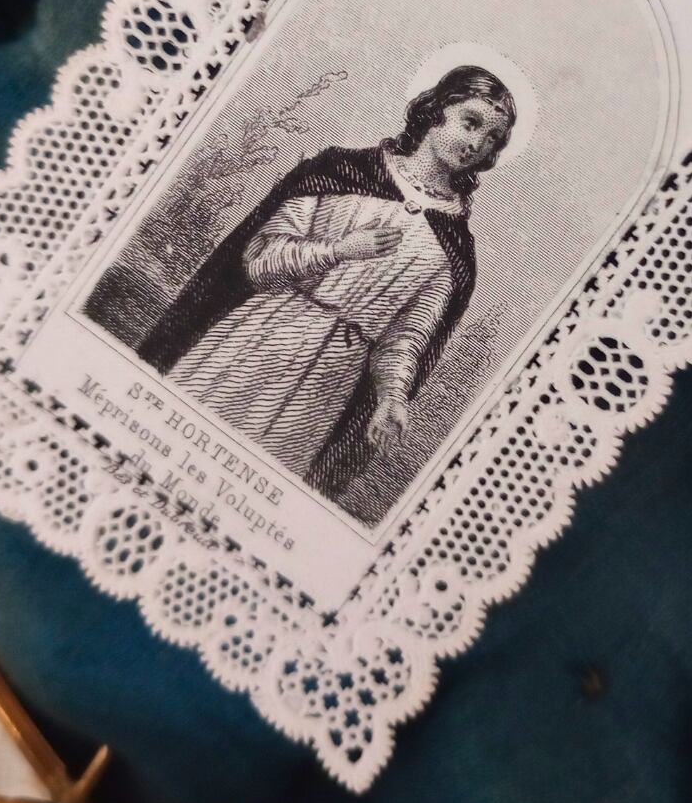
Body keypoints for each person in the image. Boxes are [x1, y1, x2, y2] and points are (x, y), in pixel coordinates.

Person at [137, 65, 516, 508]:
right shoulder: (341, 171)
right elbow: (259, 263)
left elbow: (404, 340)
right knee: (167, 443)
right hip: (257, 340)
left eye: (492, 138)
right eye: (471, 122)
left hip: (325, 388)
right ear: (436, 112)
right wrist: (337, 250)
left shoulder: (455, 251)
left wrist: (393, 396)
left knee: (247, 495)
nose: (477, 143)